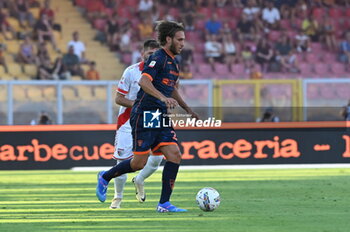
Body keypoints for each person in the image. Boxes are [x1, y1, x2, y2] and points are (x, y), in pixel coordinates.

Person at [96, 21, 198, 213]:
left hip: (159, 115)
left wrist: (188, 109)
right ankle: (105, 176)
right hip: (144, 114)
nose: (183, 43)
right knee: (138, 163)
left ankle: (164, 204)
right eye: (180, 39)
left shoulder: (174, 64)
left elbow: (172, 90)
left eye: (184, 39)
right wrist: (162, 97)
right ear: (168, 40)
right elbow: (144, 81)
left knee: (174, 154)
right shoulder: (158, 58)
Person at [109, 39, 162, 209]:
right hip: (128, 121)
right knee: (122, 162)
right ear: (142, 54)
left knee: (157, 158)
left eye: (155, 54)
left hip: (152, 118)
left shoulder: (162, 72)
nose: (152, 57)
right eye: (149, 54)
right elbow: (119, 98)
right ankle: (117, 197)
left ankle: (139, 179)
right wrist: (139, 105)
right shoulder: (131, 72)